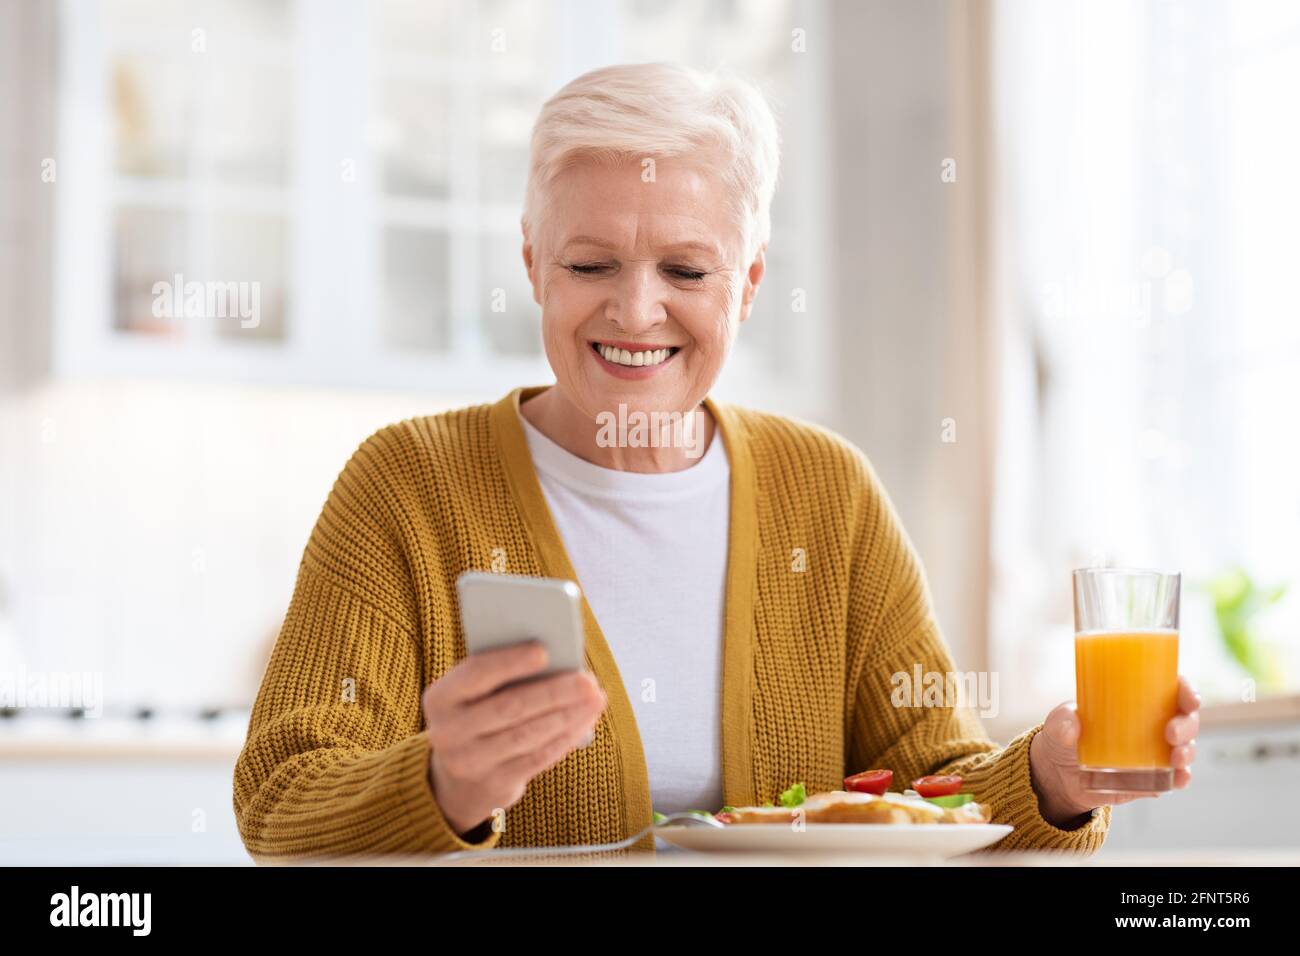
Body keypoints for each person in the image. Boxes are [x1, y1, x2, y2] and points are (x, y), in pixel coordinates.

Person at [232, 62, 1199, 860]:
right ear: (532, 264)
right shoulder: (407, 486)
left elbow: (931, 787)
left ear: (749, 282)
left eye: (686, 271)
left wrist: (1050, 781)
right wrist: (440, 784)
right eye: (588, 264)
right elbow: (280, 804)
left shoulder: (829, 493)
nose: (636, 312)